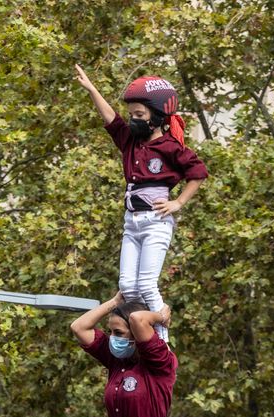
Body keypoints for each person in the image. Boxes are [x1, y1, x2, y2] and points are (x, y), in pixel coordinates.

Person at [75, 65, 207, 341]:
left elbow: (198, 173)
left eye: (139, 115)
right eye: (131, 114)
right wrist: (91, 89)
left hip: (155, 222)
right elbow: (111, 119)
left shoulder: (171, 146)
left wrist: (178, 202)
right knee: (128, 287)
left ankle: (161, 340)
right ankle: (137, 338)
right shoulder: (130, 142)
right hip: (131, 222)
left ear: (156, 118)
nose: (133, 120)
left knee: (147, 284)